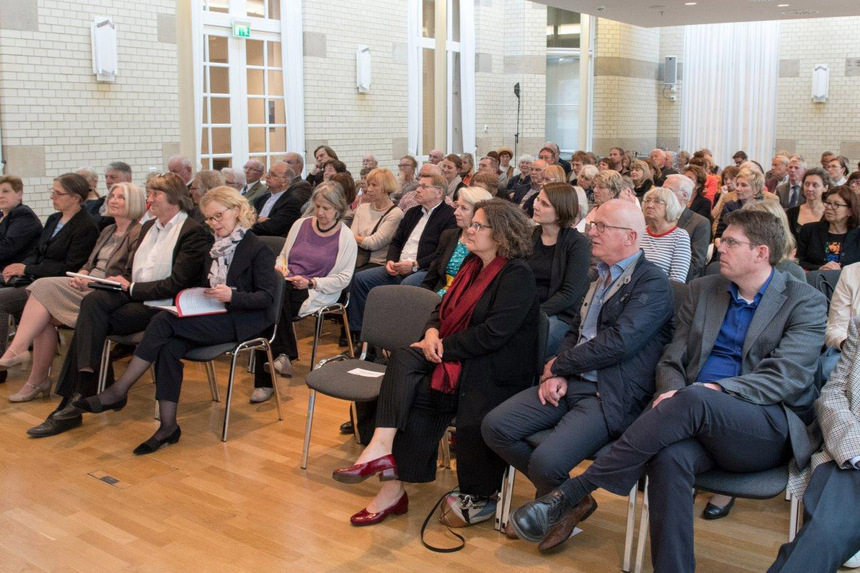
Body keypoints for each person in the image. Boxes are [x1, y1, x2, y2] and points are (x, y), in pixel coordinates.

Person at [509, 210, 826, 570]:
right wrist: (671, 392)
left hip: (763, 427)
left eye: (731, 242)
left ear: (761, 252)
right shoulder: (705, 290)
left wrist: (706, 390)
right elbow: (671, 360)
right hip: (688, 417)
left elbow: (785, 377)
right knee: (669, 459)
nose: (719, 247)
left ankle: (573, 491)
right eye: (722, 240)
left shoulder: (804, 301)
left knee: (694, 399)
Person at [332, 199, 540, 528]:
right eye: (471, 223)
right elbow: (441, 309)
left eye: (478, 225)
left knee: (418, 396)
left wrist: (440, 345)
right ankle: (380, 446)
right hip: (456, 355)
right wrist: (431, 331)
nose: (468, 229)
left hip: (493, 370)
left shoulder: (517, 275)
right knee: (404, 358)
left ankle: (400, 488)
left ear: (500, 235)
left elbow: (492, 335)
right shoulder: (472, 264)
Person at [482, 199, 674, 501]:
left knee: (547, 462)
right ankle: (568, 501)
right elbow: (576, 329)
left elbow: (619, 344)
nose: (592, 233)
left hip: (608, 392)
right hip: (572, 379)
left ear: (630, 237)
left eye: (602, 227)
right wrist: (558, 373)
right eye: (593, 225)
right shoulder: (600, 274)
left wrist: (559, 366)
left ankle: (555, 504)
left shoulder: (652, 283)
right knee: (495, 427)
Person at [63, 187, 278, 454]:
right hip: (210, 313)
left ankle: (119, 390)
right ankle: (167, 427)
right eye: (209, 219)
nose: (214, 223)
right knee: (168, 347)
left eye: (219, 216)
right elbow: (201, 284)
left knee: (164, 321)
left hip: (240, 320)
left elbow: (267, 298)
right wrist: (195, 298)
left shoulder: (256, 248)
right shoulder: (214, 246)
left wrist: (233, 296)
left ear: (237, 211)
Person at [26, 173, 212, 438]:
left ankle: (72, 402)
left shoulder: (193, 231)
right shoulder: (150, 228)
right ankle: (83, 390)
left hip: (165, 307)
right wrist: (121, 281)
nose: (149, 199)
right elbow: (136, 271)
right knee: (93, 304)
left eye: (155, 194)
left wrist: (131, 287)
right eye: (148, 194)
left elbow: (177, 284)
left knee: (89, 320)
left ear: (174, 197)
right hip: (137, 296)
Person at [4, 182, 145, 402]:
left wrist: (90, 280)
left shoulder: (139, 233)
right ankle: (35, 380)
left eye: (121, 197)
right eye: (113, 196)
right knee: (44, 316)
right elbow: (90, 262)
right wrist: (82, 274)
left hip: (107, 292)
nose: (114, 200)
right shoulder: (108, 230)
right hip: (87, 283)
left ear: (134, 203)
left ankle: (19, 351)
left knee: (41, 287)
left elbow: (130, 274)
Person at [769, 316, 860, 572]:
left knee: (828, 531)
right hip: (848, 452)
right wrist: (853, 448)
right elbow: (832, 393)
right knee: (826, 531)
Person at [258, 182, 357, 387]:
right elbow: (283, 256)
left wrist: (311, 282)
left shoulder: (346, 237)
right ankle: (282, 356)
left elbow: (343, 279)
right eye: (317, 206)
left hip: (316, 289)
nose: (319, 212)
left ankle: (267, 378)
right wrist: (281, 268)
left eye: (326, 208)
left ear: (338, 209)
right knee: (272, 298)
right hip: (288, 282)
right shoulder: (300, 225)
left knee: (268, 305)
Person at [0, 174, 99, 369]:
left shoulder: (86, 225)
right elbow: (37, 251)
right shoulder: (55, 219)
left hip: (56, 285)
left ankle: (3, 364)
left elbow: (69, 267)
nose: (52, 197)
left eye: (58, 193)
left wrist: (27, 268)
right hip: (35, 278)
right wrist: (20, 269)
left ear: (75, 198)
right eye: (52, 192)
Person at [347, 173, 457, 337]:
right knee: (360, 280)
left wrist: (415, 265)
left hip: (424, 270)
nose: (417, 190)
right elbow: (396, 241)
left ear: (439, 192)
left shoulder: (449, 216)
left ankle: (396, 338)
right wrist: (391, 261)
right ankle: (361, 335)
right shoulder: (413, 212)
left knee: (408, 284)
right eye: (418, 186)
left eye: (423, 187)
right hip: (398, 266)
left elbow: (441, 254)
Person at [527, 182, 592, 358]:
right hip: (525, 308)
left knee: (529, 343)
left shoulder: (577, 244)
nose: (536, 206)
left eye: (544, 204)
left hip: (558, 314)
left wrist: (534, 313)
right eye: (538, 200)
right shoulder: (529, 235)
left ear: (560, 211)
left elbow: (569, 293)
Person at [422, 187, 494, 296]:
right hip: (437, 296)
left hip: (462, 300)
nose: (455, 212)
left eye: (464, 208)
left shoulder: (485, 245)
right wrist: (424, 297)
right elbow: (431, 277)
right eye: (457, 206)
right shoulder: (448, 236)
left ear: (479, 213)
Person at [351, 168, 404, 272]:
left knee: (353, 278)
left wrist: (354, 237)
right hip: (356, 259)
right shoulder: (362, 208)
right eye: (369, 184)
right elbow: (350, 239)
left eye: (374, 185)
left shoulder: (395, 213)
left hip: (376, 263)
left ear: (386, 188)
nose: (369, 189)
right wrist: (359, 239)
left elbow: (374, 243)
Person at [796, 185, 858, 271]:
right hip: (814, 281)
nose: (829, 207)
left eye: (836, 204)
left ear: (850, 211)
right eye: (828, 203)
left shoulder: (857, 236)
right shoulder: (809, 230)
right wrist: (820, 268)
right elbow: (797, 261)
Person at [664, 174, 711, 282]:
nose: (663, 195)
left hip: (681, 282)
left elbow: (696, 262)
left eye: (668, 191)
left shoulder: (700, 223)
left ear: (684, 195)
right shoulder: (657, 218)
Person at [641, 187, 691, 282]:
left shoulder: (680, 236)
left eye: (657, 201)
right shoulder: (640, 232)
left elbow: (677, 281)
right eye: (647, 200)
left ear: (669, 206)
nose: (650, 205)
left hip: (659, 292)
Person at [251, 163, 313, 237]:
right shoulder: (260, 199)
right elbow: (247, 218)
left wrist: (252, 223)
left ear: (284, 182)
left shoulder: (292, 202)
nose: (267, 176)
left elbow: (272, 227)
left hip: (273, 242)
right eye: (268, 172)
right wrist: (259, 219)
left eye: (273, 175)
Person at [0, 175, 43, 273]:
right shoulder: (2, 215)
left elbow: (8, 247)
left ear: (19, 194)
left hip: (16, 271)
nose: (0, 195)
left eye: (5, 191)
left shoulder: (23, 214)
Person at [786, 168, 830, 238]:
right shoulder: (791, 213)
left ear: (825, 188)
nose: (809, 188)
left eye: (815, 185)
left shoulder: (829, 213)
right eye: (807, 184)